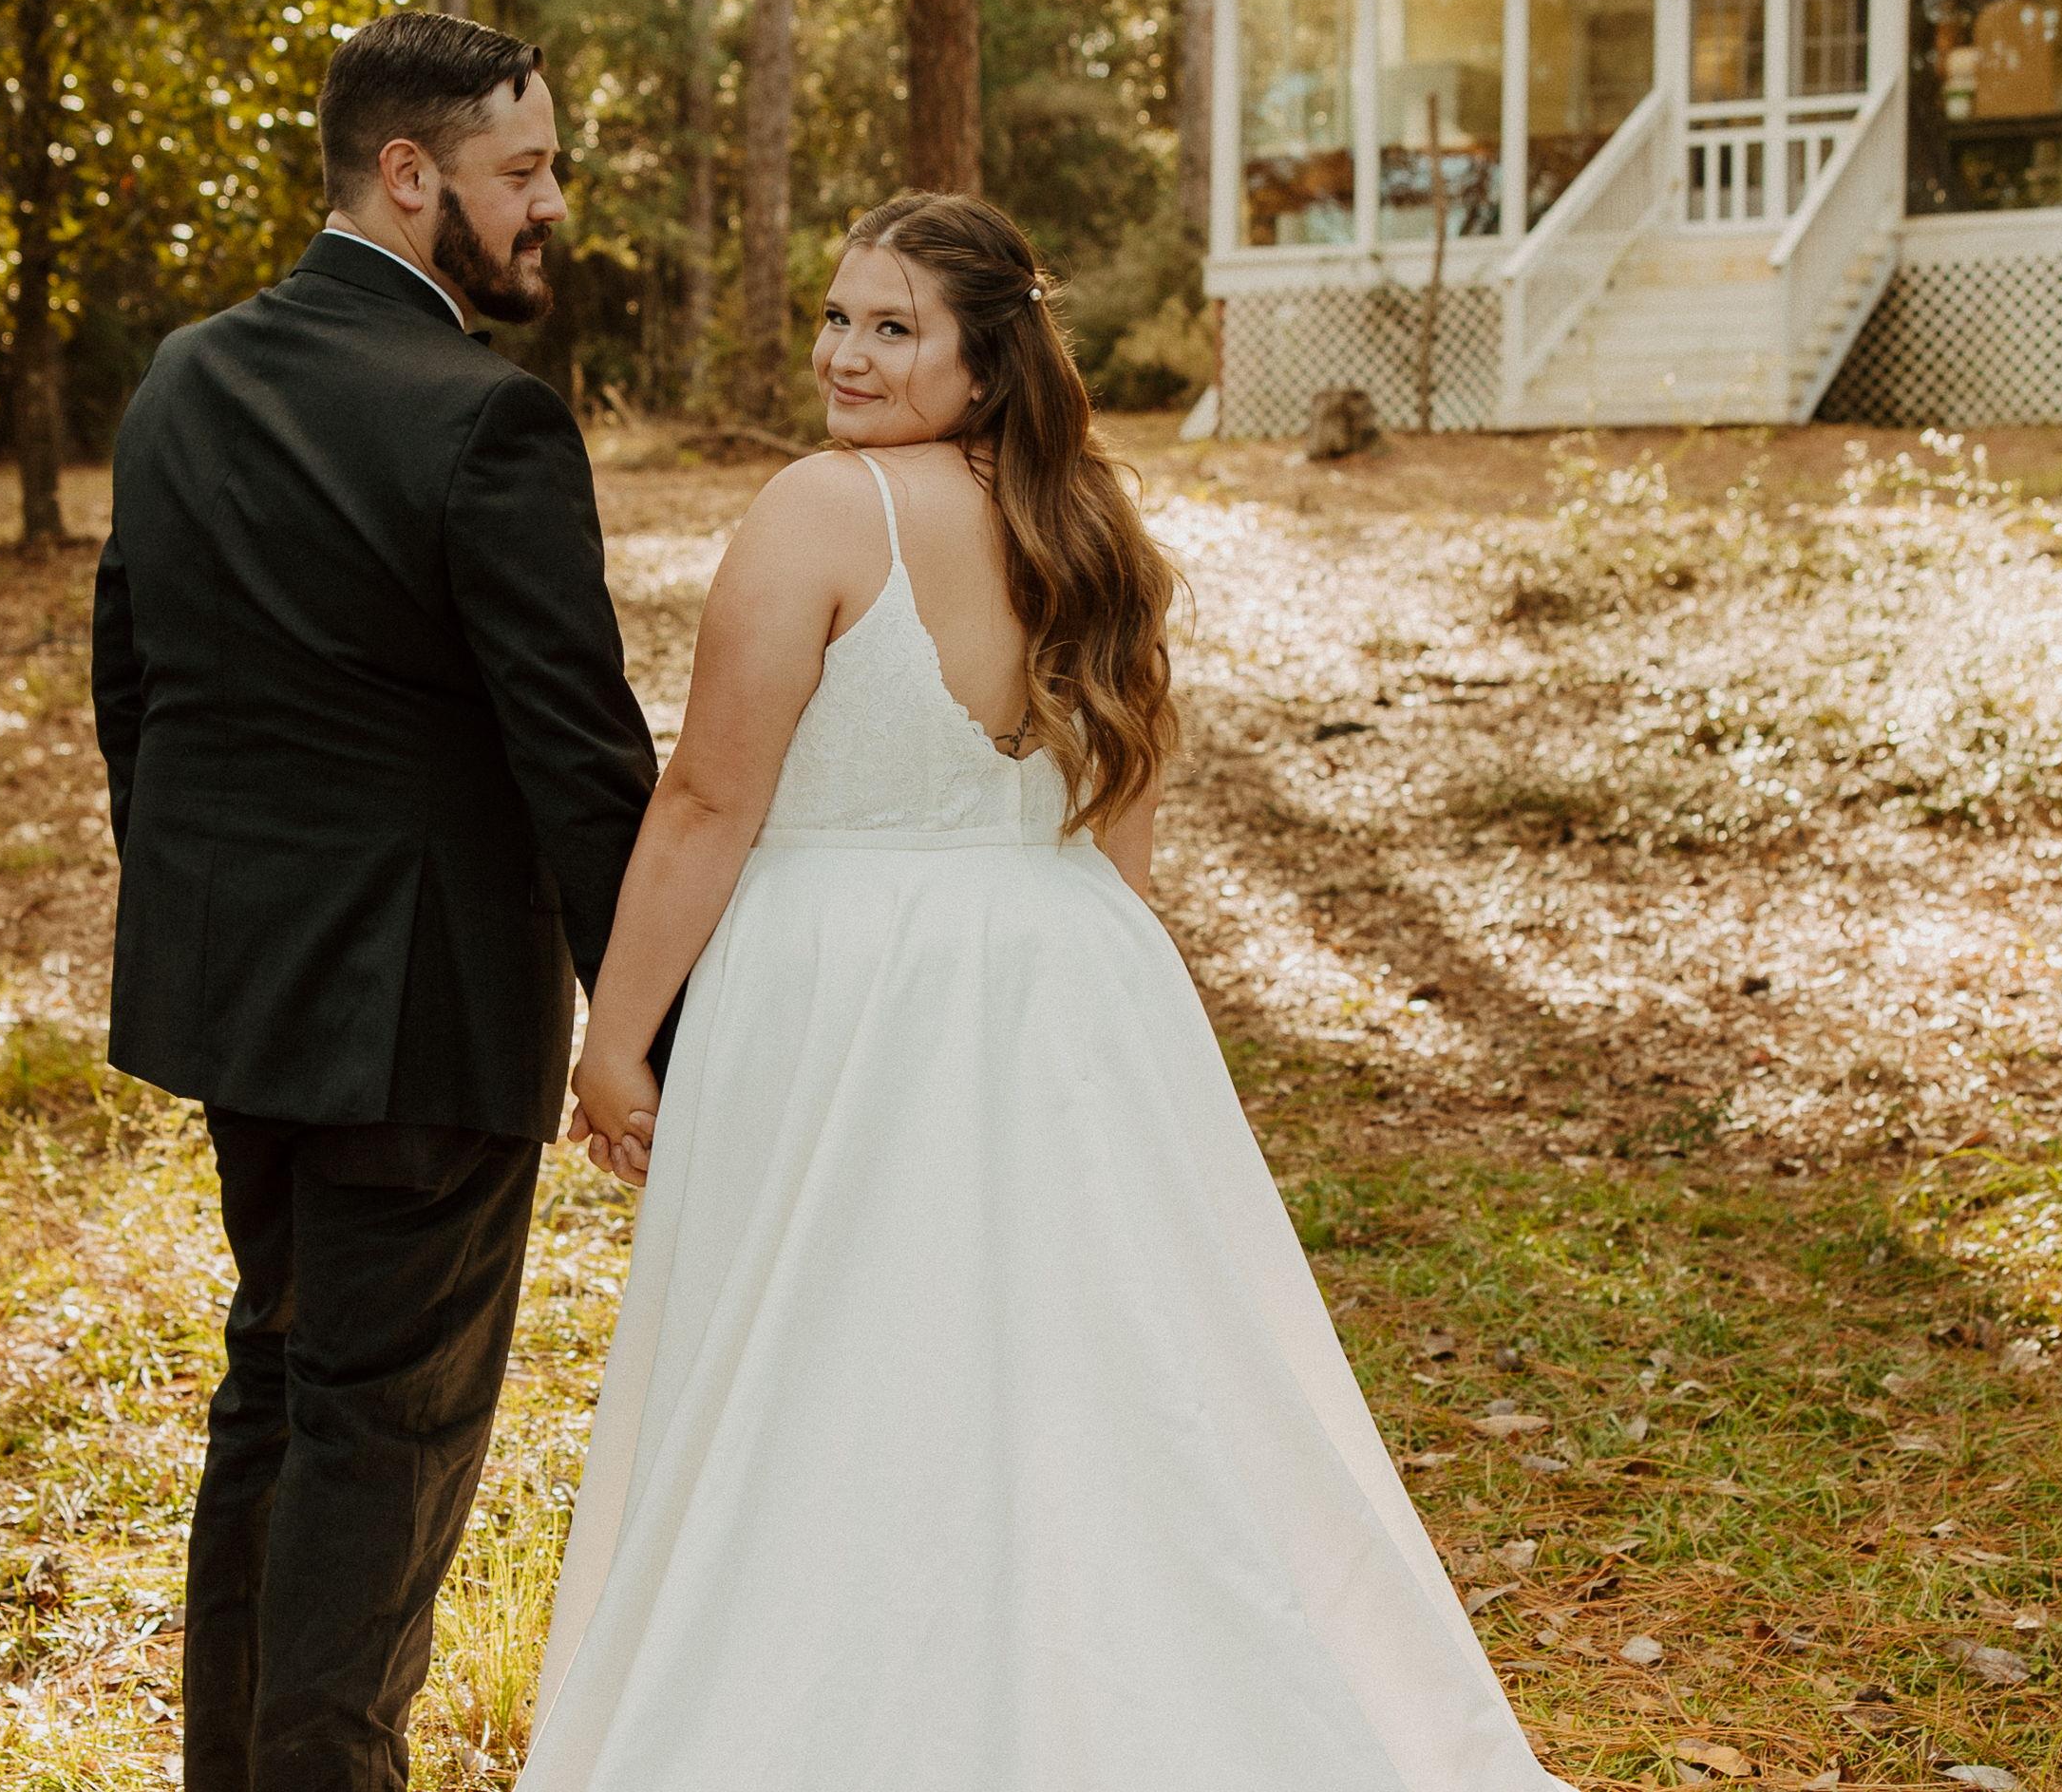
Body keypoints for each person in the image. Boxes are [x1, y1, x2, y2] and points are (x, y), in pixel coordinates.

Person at [520, 191, 1571, 1788]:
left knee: (830, 1367)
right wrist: (1095, 1018)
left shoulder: (821, 509)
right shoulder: (1092, 527)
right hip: (1070, 979)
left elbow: (710, 798)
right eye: (838, 316)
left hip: (849, 992)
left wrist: (616, 1040)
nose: (846, 354)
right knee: (1087, 1370)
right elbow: (1119, 830)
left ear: (987, 358)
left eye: (896, 328)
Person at [89, 11, 655, 1792]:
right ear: (409, 177)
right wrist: (659, 1029)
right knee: (381, 1443)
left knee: (274, 1397)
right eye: (523, 170)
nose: (551, 203)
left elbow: (135, 692)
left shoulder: (187, 375)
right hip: (426, 1024)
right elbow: (582, 762)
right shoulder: (490, 420)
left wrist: (215, 919)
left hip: (238, 1007)